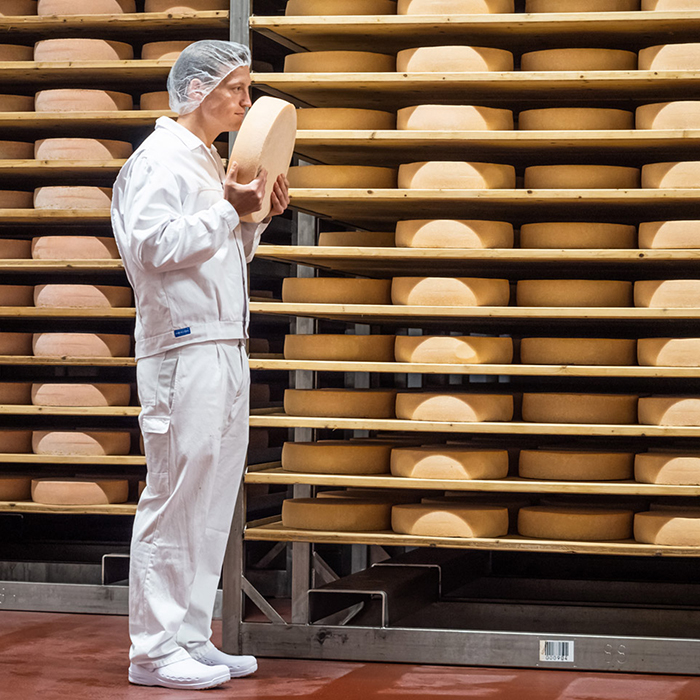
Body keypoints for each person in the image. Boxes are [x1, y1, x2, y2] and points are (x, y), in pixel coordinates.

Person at [111, 39, 290, 691]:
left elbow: (220, 254)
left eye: (247, 88)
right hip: (180, 347)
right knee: (174, 495)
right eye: (236, 88)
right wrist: (229, 211)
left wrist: (254, 220)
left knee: (210, 499)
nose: (246, 100)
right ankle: (152, 652)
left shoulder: (207, 161)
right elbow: (153, 246)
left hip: (220, 342)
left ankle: (188, 634)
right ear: (196, 92)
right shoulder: (157, 160)